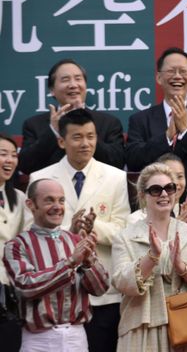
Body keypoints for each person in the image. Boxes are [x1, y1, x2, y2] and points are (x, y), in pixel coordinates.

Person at [28, 109, 130, 352]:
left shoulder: (115, 177)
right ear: (62, 141)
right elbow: (32, 236)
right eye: (77, 137)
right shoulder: (39, 178)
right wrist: (69, 231)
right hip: (56, 293)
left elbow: (123, 232)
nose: (85, 144)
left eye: (91, 136)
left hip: (103, 293)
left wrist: (93, 227)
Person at [111, 163, 187, 352]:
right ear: (143, 195)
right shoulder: (125, 237)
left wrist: (183, 268)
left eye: (169, 188)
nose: (164, 194)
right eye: (155, 190)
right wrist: (151, 257)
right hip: (142, 330)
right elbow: (121, 282)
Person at [3, 179, 109, 351]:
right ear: (31, 204)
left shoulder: (76, 240)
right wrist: (70, 263)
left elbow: (101, 289)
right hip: (38, 341)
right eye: (49, 200)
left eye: (61, 200)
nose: (57, 206)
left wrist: (89, 263)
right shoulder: (16, 245)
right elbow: (26, 287)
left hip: (77, 338)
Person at [126, 47, 187, 215]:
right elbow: (134, 161)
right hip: (152, 209)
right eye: (171, 71)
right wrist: (166, 137)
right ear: (158, 77)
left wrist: (186, 130)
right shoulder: (140, 120)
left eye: (183, 71)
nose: (177, 76)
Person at [19, 58, 125, 174]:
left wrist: (85, 127)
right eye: (65, 80)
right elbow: (25, 166)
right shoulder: (34, 124)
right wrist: (53, 131)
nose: (73, 85)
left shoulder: (109, 122)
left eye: (78, 79)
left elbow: (117, 163)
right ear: (52, 90)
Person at [0, 134, 28, 351]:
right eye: (2, 154)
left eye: (13, 155)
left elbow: (25, 241)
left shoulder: (19, 197)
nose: (9, 160)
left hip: (9, 294)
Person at [128, 153, 187, 223]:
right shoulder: (136, 219)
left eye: (180, 176)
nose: (175, 183)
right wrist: (176, 227)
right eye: (169, 176)